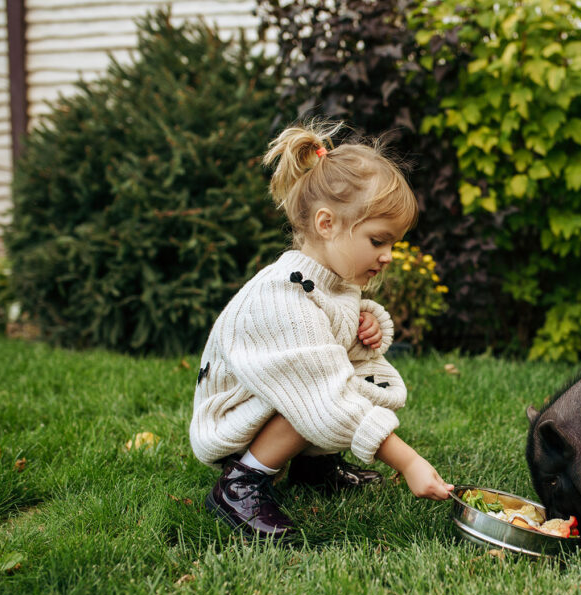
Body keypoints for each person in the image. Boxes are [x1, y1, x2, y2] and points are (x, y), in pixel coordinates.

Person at [190, 120, 453, 541]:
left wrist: (368, 325)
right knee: (318, 391)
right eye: (378, 241)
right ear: (327, 223)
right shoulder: (282, 297)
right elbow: (321, 393)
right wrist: (407, 462)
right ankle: (242, 483)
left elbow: (334, 325)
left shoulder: (331, 280)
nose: (387, 257)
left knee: (331, 377)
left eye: (393, 245)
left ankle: (314, 467)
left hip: (278, 399)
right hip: (233, 423)